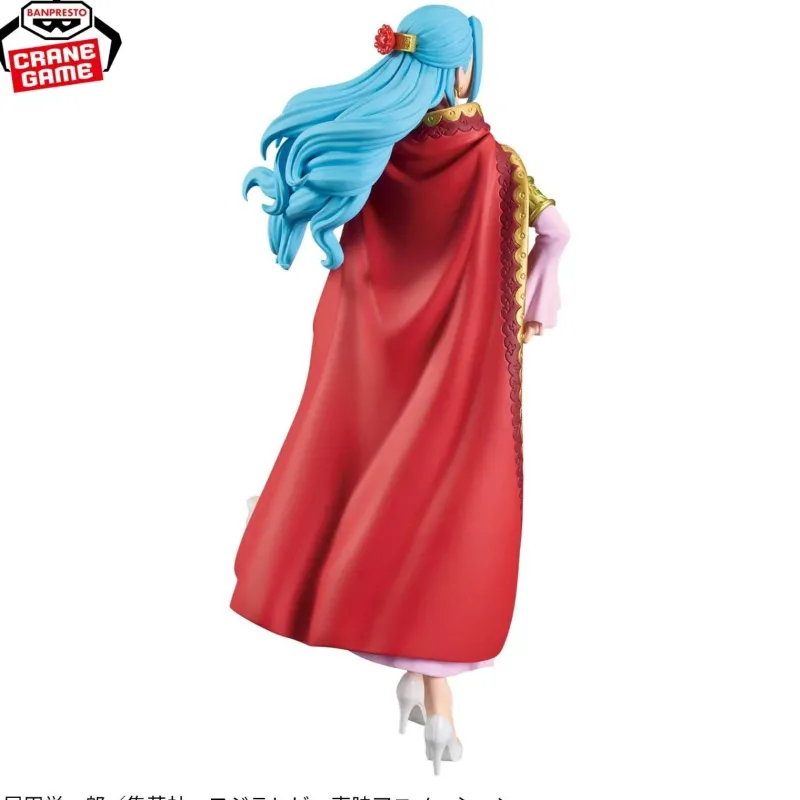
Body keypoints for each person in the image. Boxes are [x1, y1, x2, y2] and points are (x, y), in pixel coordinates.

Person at [231, 4, 570, 775]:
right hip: (460, 376)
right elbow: (557, 231)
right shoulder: (496, 165)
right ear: (461, 70)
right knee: (446, 513)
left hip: (372, 360)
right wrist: (539, 299)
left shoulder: (372, 152)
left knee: (364, 484)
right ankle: (432, 697)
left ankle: (413, 680)